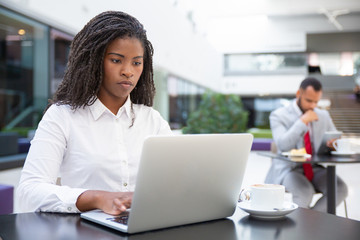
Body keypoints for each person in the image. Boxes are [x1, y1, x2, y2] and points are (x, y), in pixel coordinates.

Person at [17, 11, 172, 215]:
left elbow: (174, 182)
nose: (128, 71)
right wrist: (97, 198)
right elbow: (29, 191)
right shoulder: (62, 116)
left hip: (145, 227)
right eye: (116, 60)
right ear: (94, 61)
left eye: (136, 62)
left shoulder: (153, 120)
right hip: (84, 231)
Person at [265, 77, 348, 212]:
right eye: (309, 101)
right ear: (299, 94)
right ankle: (303, 228)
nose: (312, 106)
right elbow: (283, 145)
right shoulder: (278, 115)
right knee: (304, 192)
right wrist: (302, 122)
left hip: (314, 167)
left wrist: (334, 143)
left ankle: (310, 224)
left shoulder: (323, 115)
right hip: (289, 169)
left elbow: (335, 136)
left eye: (316, 102)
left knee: (340, 188)